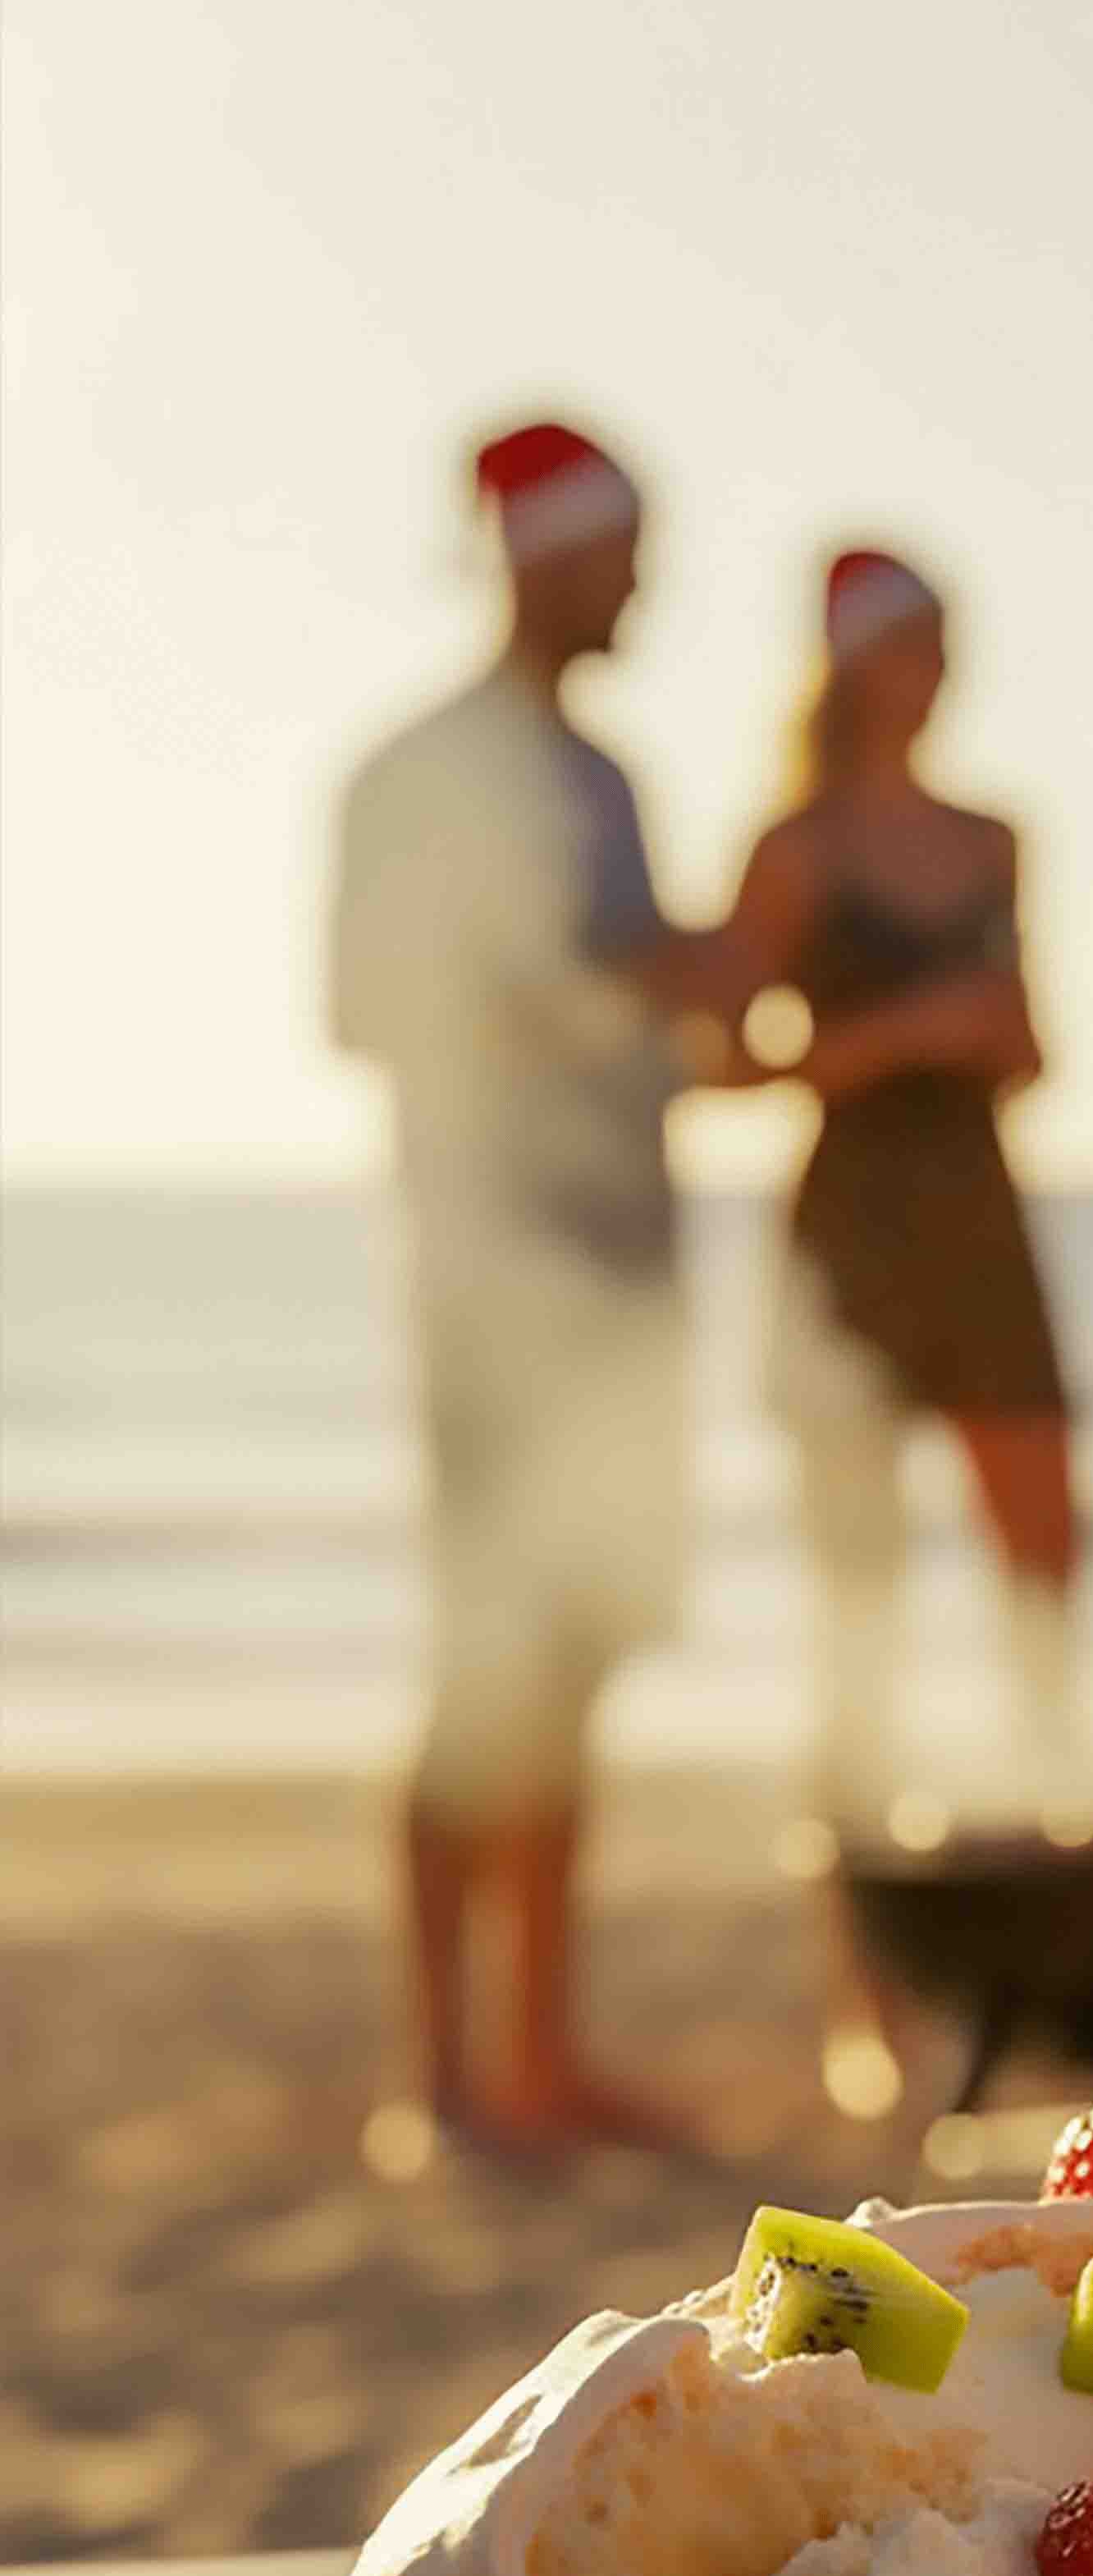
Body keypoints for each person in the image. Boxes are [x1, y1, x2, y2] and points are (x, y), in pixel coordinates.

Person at [328, 419, 739, 2155]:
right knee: (483, 1659)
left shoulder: (606, 778)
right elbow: (373, 1011)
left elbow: (665, 1032)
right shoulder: (419, 772)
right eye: (620, 549)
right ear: (542, 554)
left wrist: (685, 1000)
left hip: (623, 1286)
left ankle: (539, 2055)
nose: (641, 582)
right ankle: (441, 2075)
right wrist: (646, 982)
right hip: (498, 1288)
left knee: (571, 1663)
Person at [716, 547, 1078, 1824]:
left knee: (1044, 1577)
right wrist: (904, 1032)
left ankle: (1046, 1860)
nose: (937, 675)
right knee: (856, 1608)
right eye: (917, 645)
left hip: (979, 1214)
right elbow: (715, 1059)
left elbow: (1035, 1051)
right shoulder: (793, 850)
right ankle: (856, 1991)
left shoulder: (995, 840)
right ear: (857, 664)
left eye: (948, 646)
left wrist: (996, 1035)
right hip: (852, 1230)